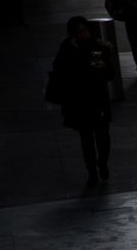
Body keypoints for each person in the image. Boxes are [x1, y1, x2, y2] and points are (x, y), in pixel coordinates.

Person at [50, 16, 118, 185]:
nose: (83, 36)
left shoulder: (98, 47)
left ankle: (101, 162)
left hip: (96, 98)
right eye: (79, 33)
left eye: (85, 31)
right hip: (80, 100)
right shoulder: (67, 50)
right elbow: (60, 71)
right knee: (87, 137)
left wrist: (104, 66)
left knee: (102, 137)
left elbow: (111, 74)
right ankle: (93, 169)